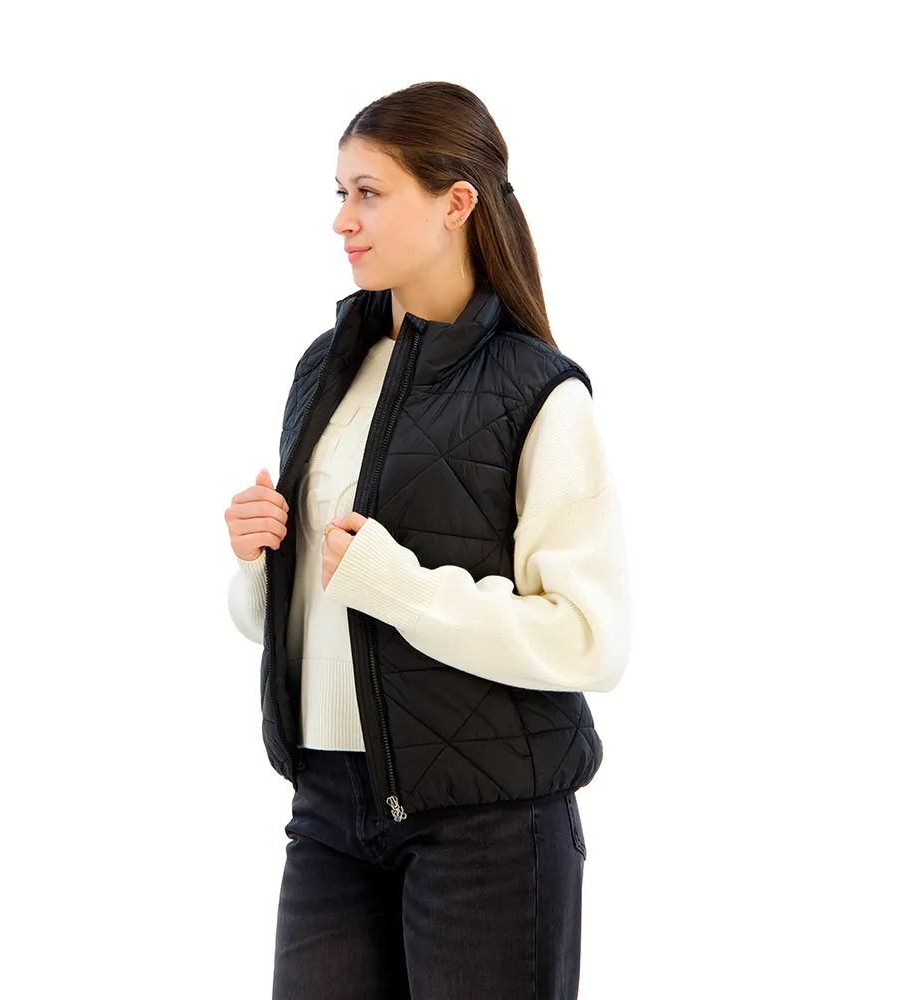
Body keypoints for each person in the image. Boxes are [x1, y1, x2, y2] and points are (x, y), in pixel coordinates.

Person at [223, 81, 631, 1000]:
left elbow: (590, 638)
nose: (342, 220)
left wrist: (400, 586)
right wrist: (258, 564)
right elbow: (293, 612)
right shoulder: (327, 366)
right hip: (328, 808)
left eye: (369, 193)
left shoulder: (541, 392)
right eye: (340, 193)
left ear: (455, 203)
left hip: (489, 825)